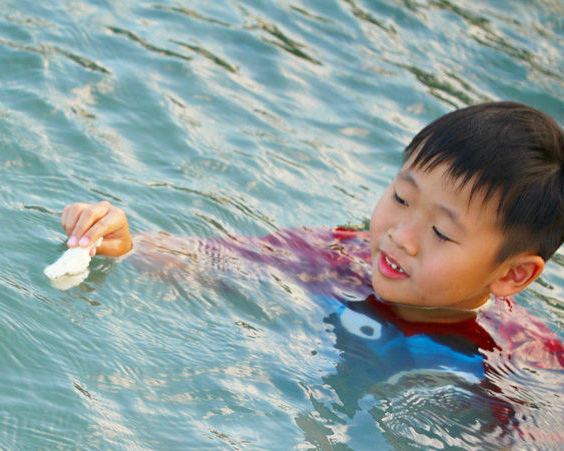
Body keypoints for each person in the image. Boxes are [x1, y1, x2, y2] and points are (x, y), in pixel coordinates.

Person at [59, 102, 564, 444]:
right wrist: (124, 245)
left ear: (514, 275)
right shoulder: (337, 256)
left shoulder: (519, 358)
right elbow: (211, 261)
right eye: (401, 198)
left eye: (442, 234)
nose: (400, 235)